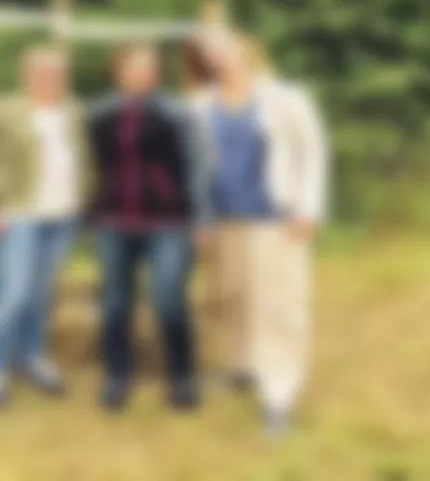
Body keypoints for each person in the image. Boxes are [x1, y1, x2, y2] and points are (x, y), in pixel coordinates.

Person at [190, 25, 329, 438]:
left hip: (275, 220)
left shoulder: (284, 99)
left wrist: (307, 208)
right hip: (224, 221)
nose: (220, 57)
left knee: (278, 307)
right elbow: (194, 168)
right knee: (230, 299)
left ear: (245, 49)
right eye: (211, 52)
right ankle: (241, 367)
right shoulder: (201, 105)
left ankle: (278, 396)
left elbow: (312, 153)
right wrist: (200, 219)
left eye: (226, 48)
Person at [84, 41, 205, 412]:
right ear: (118, 71)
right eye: (135, 67)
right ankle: (116, 376)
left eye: (150, 67)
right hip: (113, 221)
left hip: (167, 221)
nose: (143, 73)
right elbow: (87, 165)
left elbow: (198, 167)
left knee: (169, 299)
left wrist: (202, 218)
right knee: (115, 302)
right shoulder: (98, 114)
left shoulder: (177, 113)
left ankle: (181, 376)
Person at [0, 45, 87, 404]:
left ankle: (31, 356)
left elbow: (83, 158)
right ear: (27, 76)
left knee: (41, 293)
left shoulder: (74, 111)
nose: (54, 79)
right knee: (14, 293)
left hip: (62, 215)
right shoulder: (7, 111)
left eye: (60, 73)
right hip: (20, 214)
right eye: (46, 73)